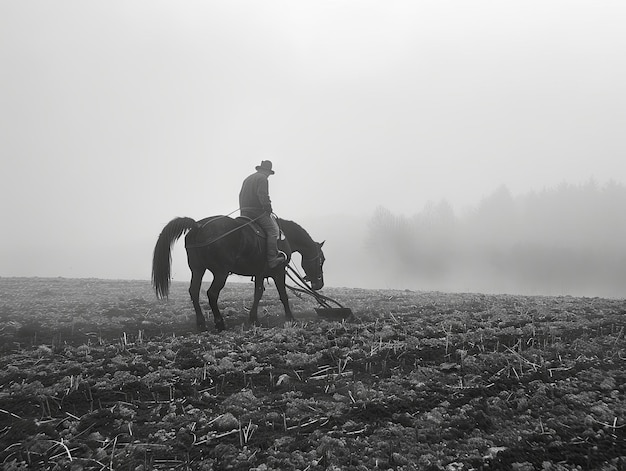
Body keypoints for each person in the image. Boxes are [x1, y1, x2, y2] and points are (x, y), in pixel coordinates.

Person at [239, 160, 287, 268]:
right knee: (273, 230)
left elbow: (240, 195)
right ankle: (272, 260)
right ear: (267, 171)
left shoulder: (248, 178)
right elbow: (262, 195)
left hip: (244, 212)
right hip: (256, 212)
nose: (268, 176)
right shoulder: (262, 178)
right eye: (269, 174)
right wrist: (268, 208)